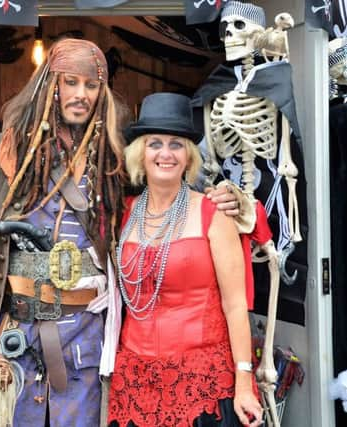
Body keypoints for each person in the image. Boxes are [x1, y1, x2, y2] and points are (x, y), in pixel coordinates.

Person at [0, 40, 243, 427]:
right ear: (49, 85)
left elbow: (172, 189)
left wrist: (231, 199)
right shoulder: (1, 153)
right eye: (70, 82)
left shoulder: (116, 160)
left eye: (91, 85)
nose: (81, 94)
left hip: (86, 338)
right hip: (16, 333)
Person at [107, 93, 263, 427]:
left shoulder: (212, 213)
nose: (165, 153)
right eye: (155, 144)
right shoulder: (125, 214)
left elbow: (235, 305)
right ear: (140, 154)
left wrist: (244, 381)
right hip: (136, 381)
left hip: (201, 379)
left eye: (176, 144)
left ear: (189, 157)